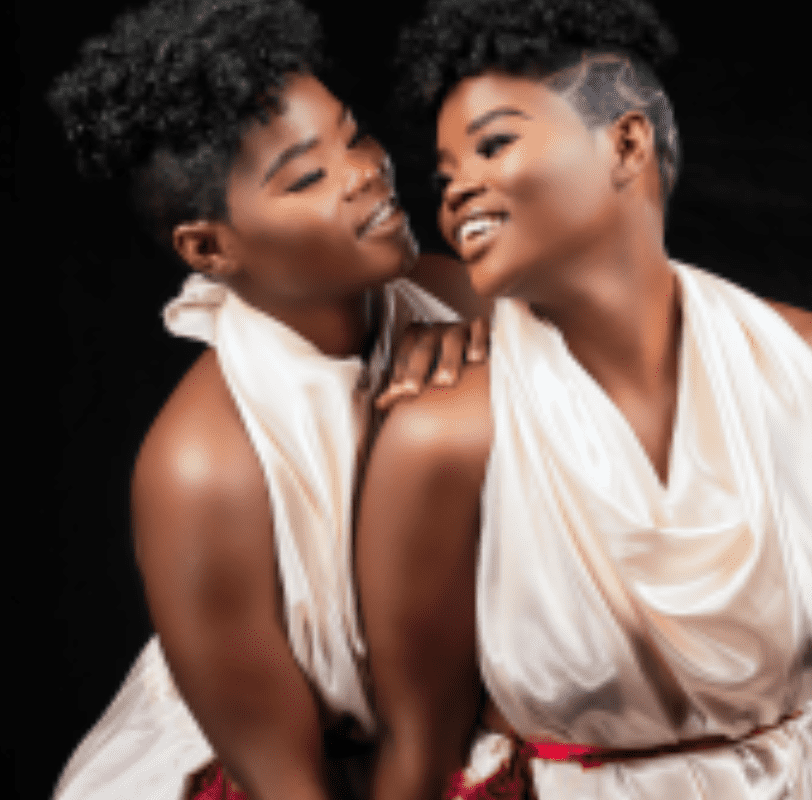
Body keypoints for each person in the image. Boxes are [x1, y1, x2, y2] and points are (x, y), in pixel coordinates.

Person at [356, 0, 812, 797]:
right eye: (445, 176)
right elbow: (417, 749)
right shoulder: (445, 437)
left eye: (494, 144)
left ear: (627, 143)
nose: (456, 191)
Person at [45, 1, 486, 798]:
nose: (366, 171)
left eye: (355, 134)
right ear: (209, 247)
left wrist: (499, 358)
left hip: (442, 742)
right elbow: (284, 779)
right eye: (308, 177)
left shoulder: (458, 297)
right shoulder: (201, 468)